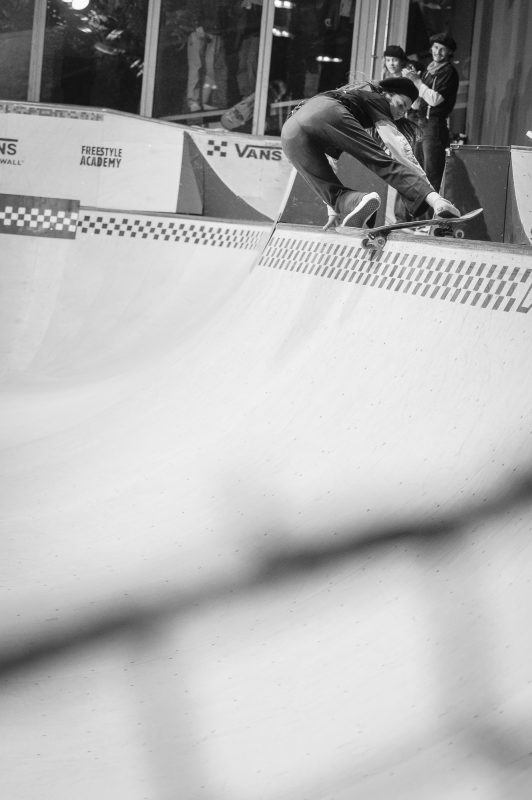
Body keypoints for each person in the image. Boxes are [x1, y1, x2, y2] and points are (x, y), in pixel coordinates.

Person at [280, 76, 460, 230]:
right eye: (400, 105)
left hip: (289, 132)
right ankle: (437, 201)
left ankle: (359, 202)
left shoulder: (354, 98)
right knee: (381, 162)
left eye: (405, 111)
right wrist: (434, 197)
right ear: (387, 95)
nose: (400, 114)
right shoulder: (377, 100)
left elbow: (329, 163)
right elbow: (399, 148)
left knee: (332, 193)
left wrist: (334, 210)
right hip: (326, 110)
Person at [402, 32, 459, 192]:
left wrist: (417, 81)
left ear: (449, 52)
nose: (437, 52)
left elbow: (435, 100)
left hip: (434, 126)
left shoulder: (448, 72)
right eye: (435, 47)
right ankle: (419, 207)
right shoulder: (429, 70)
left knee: (431, 174)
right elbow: (418, 104)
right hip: (421, 123)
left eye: (442, 49)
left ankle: (431, 206)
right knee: (417, 170)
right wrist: (410, 83)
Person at [186, 1, 229, 112]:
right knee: (197, 67)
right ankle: (194, 101)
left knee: (210, 69)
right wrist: (196, 24)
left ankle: (202, 101)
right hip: (203, 29)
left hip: (213, 30)